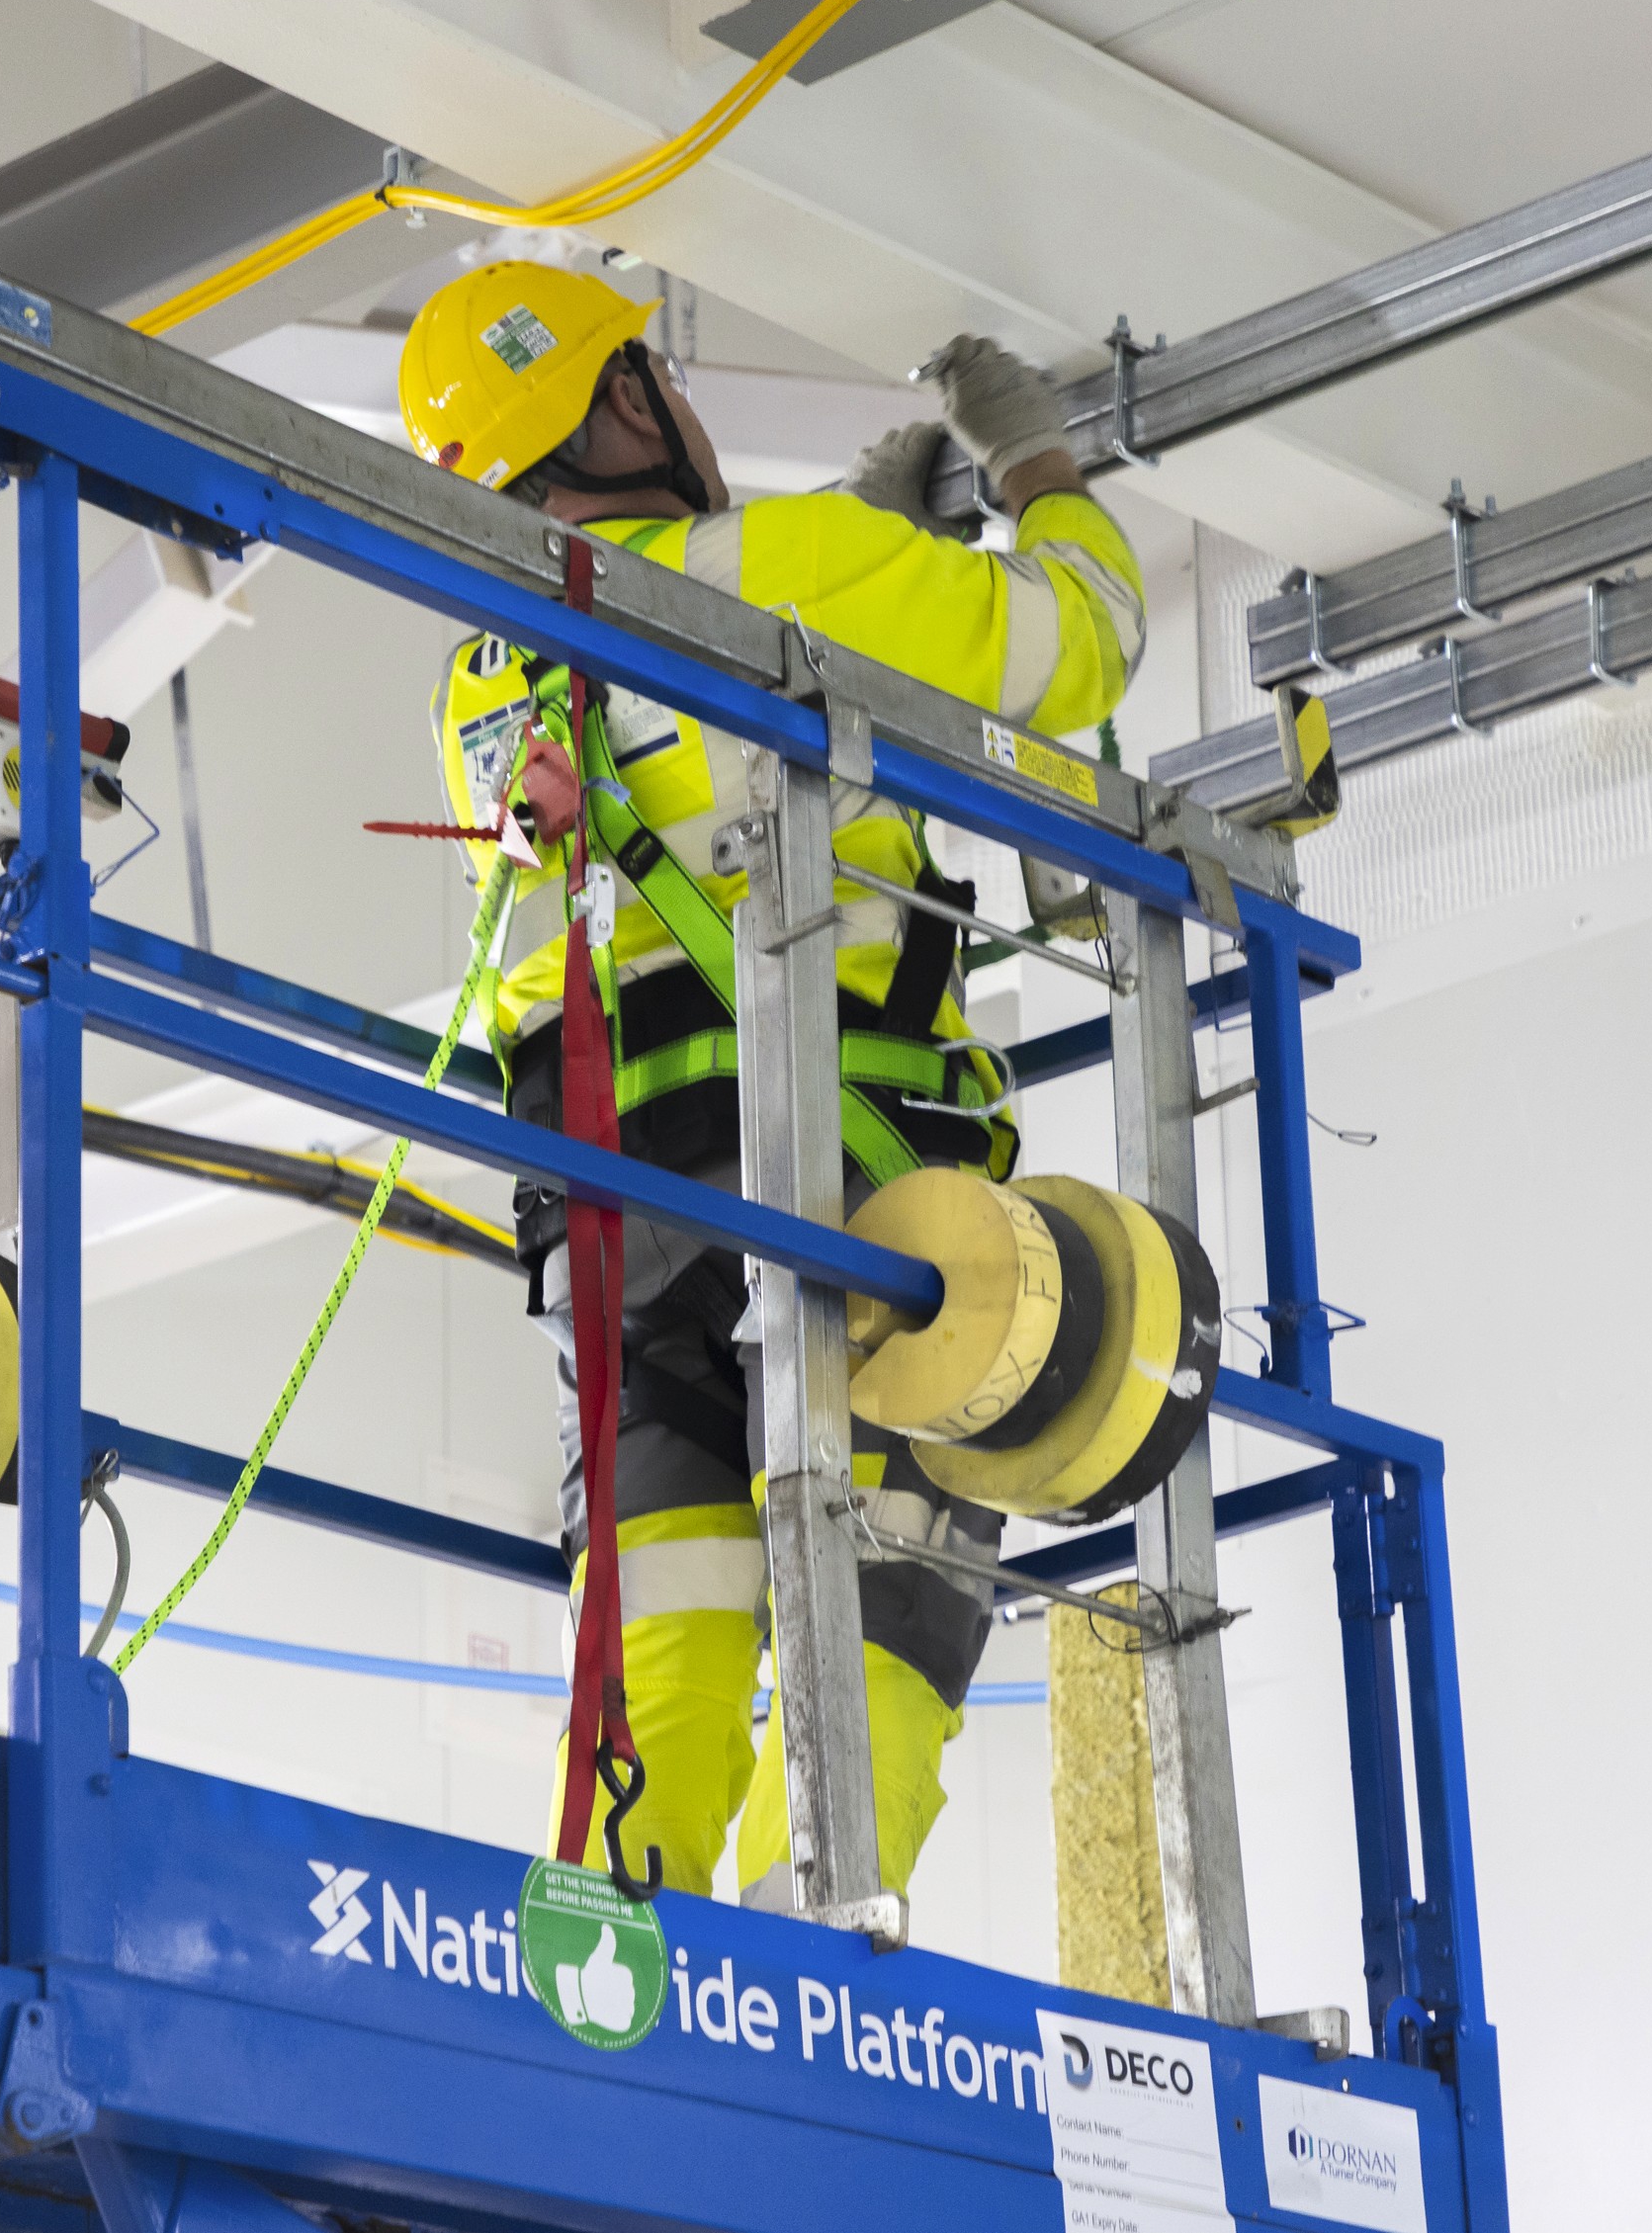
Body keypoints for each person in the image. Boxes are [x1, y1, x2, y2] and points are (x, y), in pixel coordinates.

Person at [399, 260, 1144, 1907]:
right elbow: (1092, 645)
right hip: (853, 1203)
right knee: (874, 1643)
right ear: (616, 406)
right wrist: (1031, 464)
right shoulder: (793, 564)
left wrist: (872, 573)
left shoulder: (483, 687)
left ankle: (604, 2040)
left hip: (622, 1236)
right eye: (649, 370)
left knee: (658, 1693)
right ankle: (808, 1990)